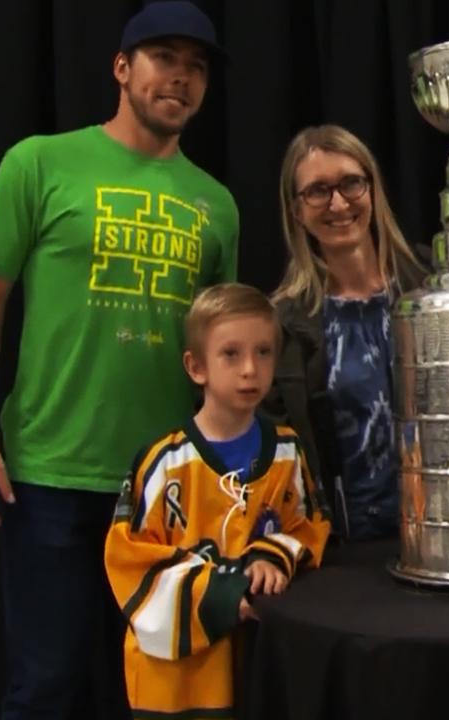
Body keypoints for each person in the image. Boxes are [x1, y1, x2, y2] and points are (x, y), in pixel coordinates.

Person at [0, 2, 236, 716]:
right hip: (49, 473)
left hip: (167, 484)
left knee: (163, 692)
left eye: (196, 67)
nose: (181, 78)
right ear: (122, 67)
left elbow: (222, 346)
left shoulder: (216, 203)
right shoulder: (40, 162)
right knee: (49, 685)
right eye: (165, 58)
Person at [105, 283, 330, 719]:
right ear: (196, 366)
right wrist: (223, 594)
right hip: (177, 683)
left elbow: (311, 525)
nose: (250, 369)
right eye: (231, 354)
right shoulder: (163, 464)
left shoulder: (287, 451)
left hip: (254, 666)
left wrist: (273, 555)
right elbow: (130, 561)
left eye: (263, 352)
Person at [263, 125, 425, 540]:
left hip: (447, 528)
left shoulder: (431, 285)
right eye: (317, 191)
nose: (338, 203)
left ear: (372, 189)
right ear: (296, 210)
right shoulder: (284, 324)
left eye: (351, 183)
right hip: (346, 547)